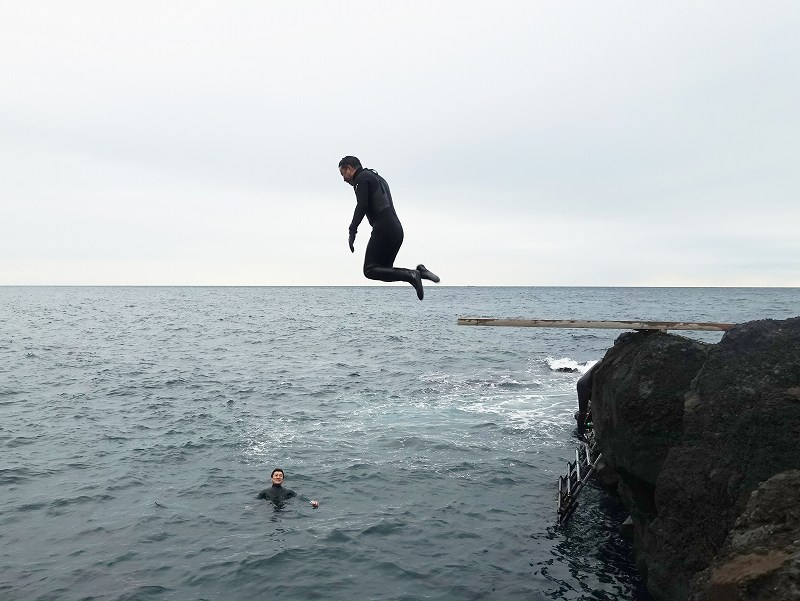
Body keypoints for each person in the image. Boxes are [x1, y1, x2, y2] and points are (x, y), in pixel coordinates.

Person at [338, 156, 439, 300]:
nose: (344, 179)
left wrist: (352, 230)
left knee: (370, 270)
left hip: (384, 228)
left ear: (349, 168)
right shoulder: (376, 177)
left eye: (343, 174)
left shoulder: (361, 178)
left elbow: (362, 205)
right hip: (396, 229)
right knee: (385, 270)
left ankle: (412, 275)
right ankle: (419, 272)